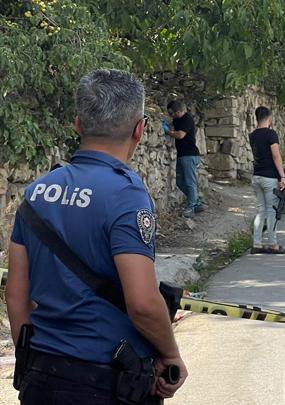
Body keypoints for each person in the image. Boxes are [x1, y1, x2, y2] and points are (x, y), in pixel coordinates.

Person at [6, 68, 187, 403]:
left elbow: (16, 296)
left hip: (42, 377)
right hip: (107, 381)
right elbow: (143, 304)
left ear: (77, 124)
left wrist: (32, 361)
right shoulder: (126, 195)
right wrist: (171, 354)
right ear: (140, 129)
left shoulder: (37, 192)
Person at [249, 106, 285, 254]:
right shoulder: (271, 134)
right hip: (269, 177)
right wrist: (282, 176)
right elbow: (276, 156)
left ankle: (257, 243)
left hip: (256, 176)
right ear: (270, 118)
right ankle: (273, 244)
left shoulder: (252, 135)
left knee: (261, 210)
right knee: (271, 211)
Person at [165, 100, 204, 218]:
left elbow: (180, 135)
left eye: (173, 113)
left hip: (190, 155)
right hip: (182, 155)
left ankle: (191, 207)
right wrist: (169, 126)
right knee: (179, 182)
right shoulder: (178, 119)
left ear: (178, 111)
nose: (172, 115)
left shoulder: (187, 119)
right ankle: (196, 202)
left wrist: (168, 132)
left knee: (189, 182)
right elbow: (173, 125)